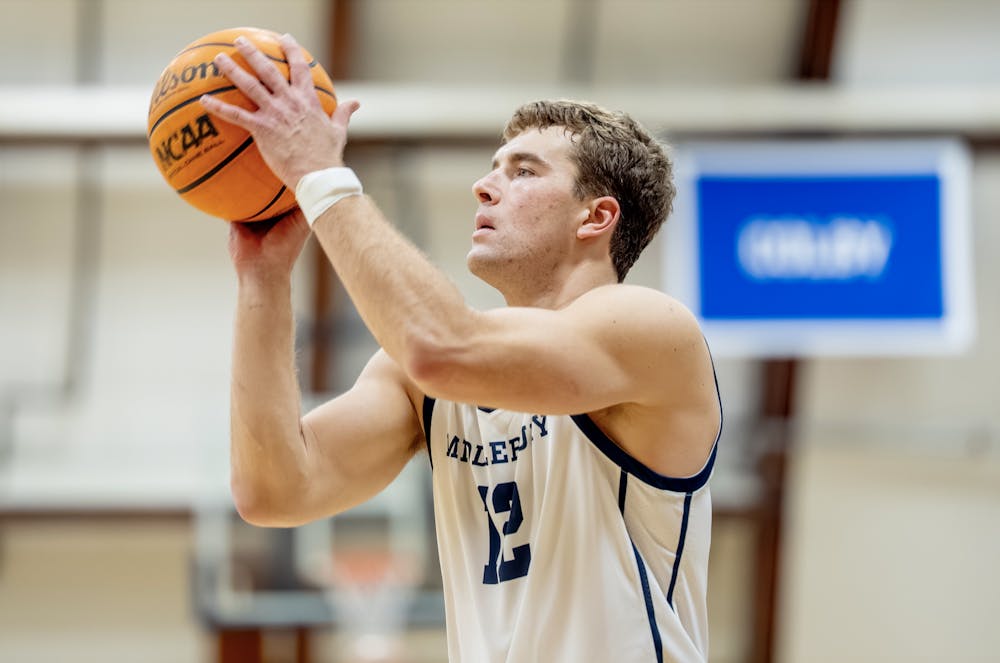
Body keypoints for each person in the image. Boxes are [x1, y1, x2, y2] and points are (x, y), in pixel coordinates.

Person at [200, 33, 722, 663]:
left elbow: (442, 347)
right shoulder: (425, 376)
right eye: (493, 167)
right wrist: (263, 278)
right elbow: (274, 491)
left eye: (523, 171)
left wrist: (320, 173)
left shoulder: (648, 328)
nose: (484, 186)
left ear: (595, 218)